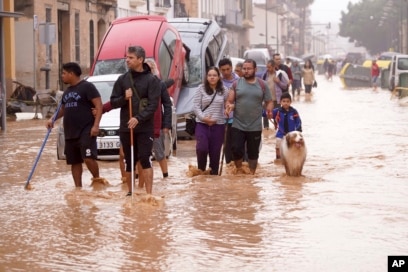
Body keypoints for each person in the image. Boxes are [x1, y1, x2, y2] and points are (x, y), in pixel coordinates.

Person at [110, 45, 161, 197]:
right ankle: (130, 192)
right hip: (127, 127)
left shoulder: (152, 80)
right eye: (127, 57)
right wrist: (124, 98)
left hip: (145, 127)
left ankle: (149, 194)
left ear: (140, 60)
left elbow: (153, 105)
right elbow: (113, 102)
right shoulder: (122, 80)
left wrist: (138, 118)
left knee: (145, 158)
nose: (127, 60)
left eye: (131, 58)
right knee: (129, 159)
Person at [46, 62, 106, 187]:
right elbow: (62, 109)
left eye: (64, 73)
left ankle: (97, 180)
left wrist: (96, 126)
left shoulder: (87, 87)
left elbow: (98, 105)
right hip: (70, 132)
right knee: (74, 161)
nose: (62, 76)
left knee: (88, 158)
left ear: (71, 74)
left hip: (86, 129)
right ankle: (78, 188)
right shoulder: (67, 92)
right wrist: (52, 119)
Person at [225, 59, 273, 174]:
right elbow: (229, 100)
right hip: (238, 123)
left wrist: (269, 109)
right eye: (244, 69)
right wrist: (229, 106)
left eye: (249, 69)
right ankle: (239, 170)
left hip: (255, 125)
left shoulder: (262, 84)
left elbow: (269, 101)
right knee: (236, 149)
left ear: (255, 70)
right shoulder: (236, 84)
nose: (246, 71)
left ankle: (252, 175)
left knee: (253, 153)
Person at [193, 66, 229, 175]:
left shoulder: (224, 90)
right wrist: (204, 118)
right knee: (201, 148)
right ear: (206, 77)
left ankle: (213, 179)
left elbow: (228, 103)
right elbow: (196, 106)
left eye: (214, 75)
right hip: (202, 125)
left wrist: (227, 109)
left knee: (215, 153)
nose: (212, 78)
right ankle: (201, 172)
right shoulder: (201, 88)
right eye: (209, 75)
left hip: (218, 126)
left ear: (219, 77)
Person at [218, 58, 240, 164]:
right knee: (226, 146)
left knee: (237, 146)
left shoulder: (239, 81)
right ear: (220, 70)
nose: (226, 72)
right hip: (223, 119)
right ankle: (229, 167)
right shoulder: (218, 83)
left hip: (237, 118)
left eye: (228, 69)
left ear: (231, 68)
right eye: (223, 70)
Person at [272, 92, 302, 161]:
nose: (286, 103)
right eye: (284, 101)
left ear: (290, 102)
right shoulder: (278, 111)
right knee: (278, 144)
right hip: (280, 133)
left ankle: (292, 159)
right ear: (280, 102)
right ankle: (278, 158)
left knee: (292, 147)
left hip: (291, 134)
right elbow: (269, 113)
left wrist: (298, 129)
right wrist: (262, 112)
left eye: (288, 101)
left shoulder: (294, 112)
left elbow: (298, 121)